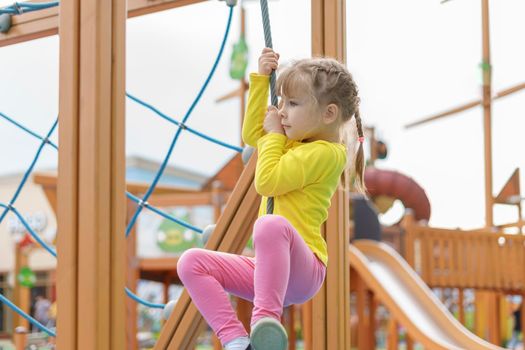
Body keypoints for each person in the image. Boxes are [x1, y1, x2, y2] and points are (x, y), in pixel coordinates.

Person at [177, 47, 365, 350]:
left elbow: (267, 181)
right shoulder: (292, 141)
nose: (282, 112)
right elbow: (254, 135)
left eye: (292, 103)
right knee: (192, 262)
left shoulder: (328, 154)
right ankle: (236, 341)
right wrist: (261, 81)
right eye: (281, 102)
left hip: (305, 270)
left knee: (270, 225)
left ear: (328, 113)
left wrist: (275, 136)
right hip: (268, 270)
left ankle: (265, 324)